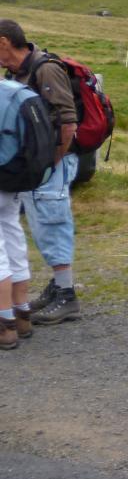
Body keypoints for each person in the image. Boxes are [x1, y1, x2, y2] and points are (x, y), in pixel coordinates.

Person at [0, 19, 82, 326]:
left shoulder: (46, 70)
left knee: (52, 219)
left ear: (4, 42)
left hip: (52, 164)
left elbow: (68, 122)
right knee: (40, 222)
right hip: (35, 166)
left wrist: (50, 166)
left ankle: (67, 296)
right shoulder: (17, 74)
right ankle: (58, 285)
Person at [0, 77, 35, 350]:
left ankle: (5, 325)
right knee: (12, 235)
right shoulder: (12, 92)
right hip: (12, 178)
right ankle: (22, 313)